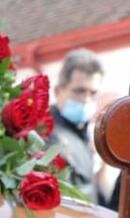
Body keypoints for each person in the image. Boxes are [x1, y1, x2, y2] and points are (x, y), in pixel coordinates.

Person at [48, 48, 105, 204]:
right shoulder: (47, 134)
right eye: (79, 91)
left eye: (93, 93)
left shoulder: (82, 130)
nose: (86, 99)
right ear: (58, 91)